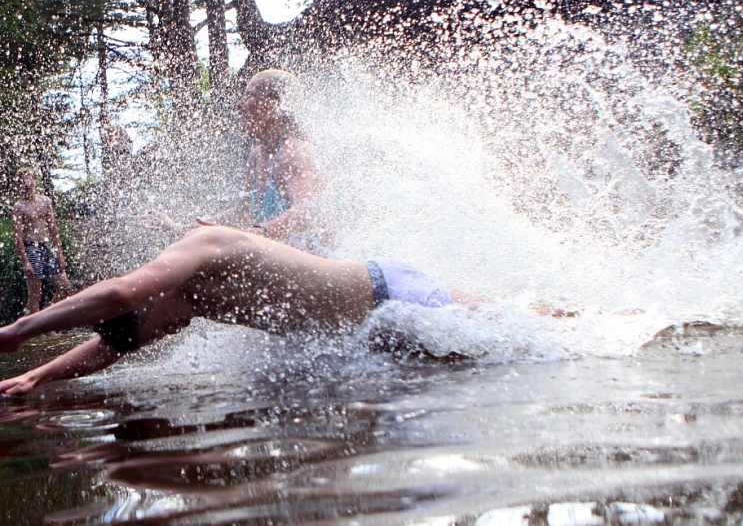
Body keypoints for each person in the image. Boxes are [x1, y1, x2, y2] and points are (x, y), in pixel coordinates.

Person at [0, 224, 483, 396]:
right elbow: (112, 346)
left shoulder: (205, 245)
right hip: (371, 328)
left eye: (159, 325)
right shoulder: (184, 302)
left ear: (153, 297)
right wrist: (35, 377)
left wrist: (20, 330)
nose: (166, 332)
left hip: (391, 296)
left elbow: (120, 296)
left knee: (511, 340)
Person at [146, 70, 324, 248]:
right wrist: (181, 230)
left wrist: (257, 233)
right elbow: (244, 212)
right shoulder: (257, 155)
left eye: (250, 96)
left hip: (321, 262)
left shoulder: (293, 152)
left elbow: (308, 211)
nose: (240, 105)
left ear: (277, 105)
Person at [11, 168, 74, 315]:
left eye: (29, 179)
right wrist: (25, 261)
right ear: (19, 186)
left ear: (35, 181)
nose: (27, 183)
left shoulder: (45, 201)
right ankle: (35, 332)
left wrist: (60, 253)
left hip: (46, 246)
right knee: (35, 292)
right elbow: (18, 236)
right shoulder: (18, 207)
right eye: (23, 181)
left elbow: (53, 228)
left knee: (65, 287)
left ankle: (44, 316)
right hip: (30, 247)